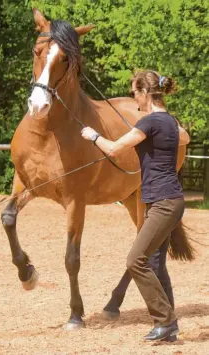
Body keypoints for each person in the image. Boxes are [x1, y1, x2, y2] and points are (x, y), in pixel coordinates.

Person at [81, 70, 190, 341]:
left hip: (163, 202)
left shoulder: (151, 122)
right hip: (167, 200)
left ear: (144, 92)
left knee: (136, 261)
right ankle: (169, 324)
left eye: (134, 93)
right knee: (155, 263)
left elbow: (115, 148)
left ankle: (166, 321)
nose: (134, 98)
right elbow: (184, 137)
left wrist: (92, 136)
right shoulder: (169, 121)